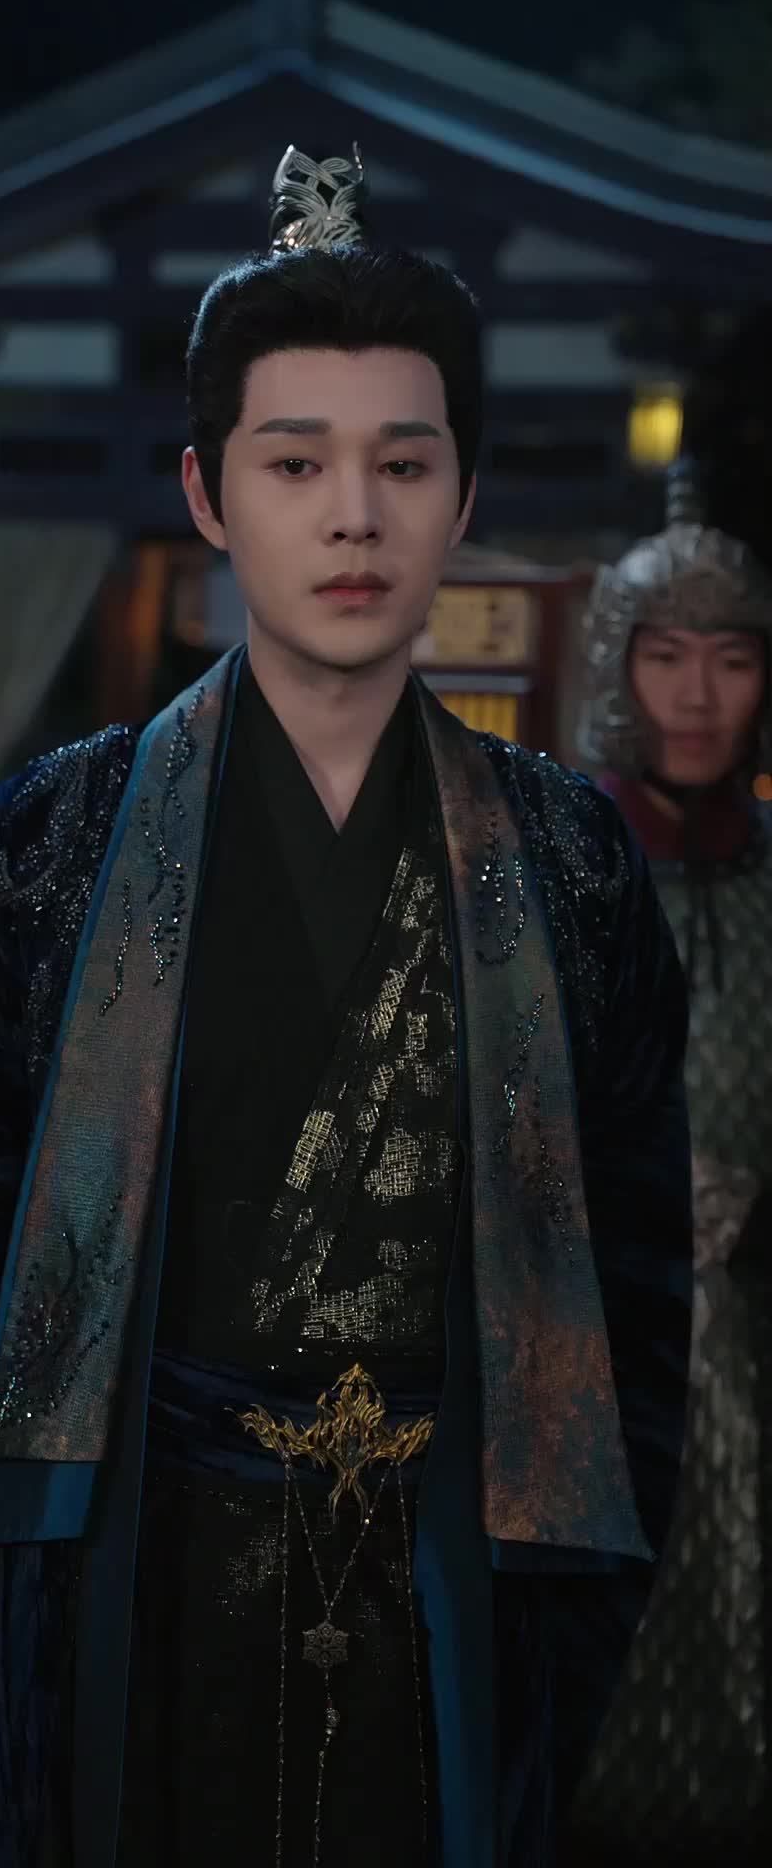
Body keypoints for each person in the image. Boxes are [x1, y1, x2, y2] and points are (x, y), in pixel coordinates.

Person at [0, 145, 692, 1868]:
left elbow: (637, 1311)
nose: (353, 516)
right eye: (296, 462)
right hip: (126, 1597)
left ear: (462, 495)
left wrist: (562, 1641)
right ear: (208, 495)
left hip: (450, 1603)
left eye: (402, 462)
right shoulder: (51, 849)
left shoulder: (570, 865)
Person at [571, 461, 772, 1859]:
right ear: (618, 668)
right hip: (588, 1331)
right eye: (666, 657)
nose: (698, 696)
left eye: (733, 660)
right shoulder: (553, 867)